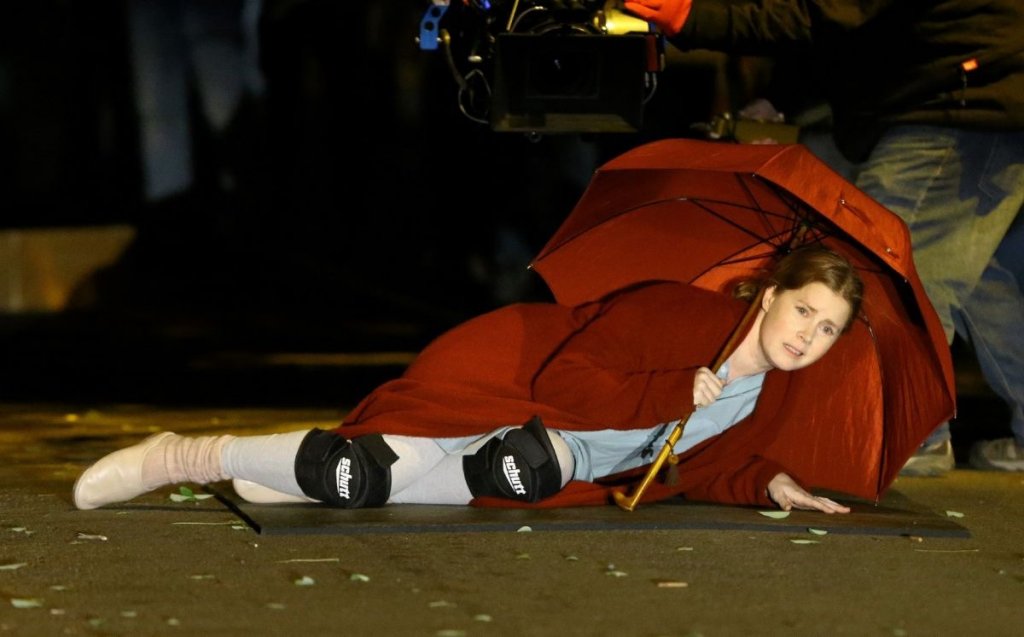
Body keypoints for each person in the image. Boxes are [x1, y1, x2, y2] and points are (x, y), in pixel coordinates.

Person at [74, 247, 861, 514]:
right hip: (508, 383)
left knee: (514, 468)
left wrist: (769, 482)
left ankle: (297, 477)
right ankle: (180, 455)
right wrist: (672, 389)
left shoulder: (764, 393)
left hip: (549, 455)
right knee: (361, 472)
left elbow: (706, 466)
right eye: (803, 310)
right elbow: (567, 377)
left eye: (827, 329)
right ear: (769, 295)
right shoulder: (682, 316)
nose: (807, 336)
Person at [623, 0, 1024, 474]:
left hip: (959, 100)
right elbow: (851, 25)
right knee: (982, 287)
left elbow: (832, 11)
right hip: (972, 91)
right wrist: (784, 96)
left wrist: (693, 16)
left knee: (887, 268)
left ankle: (907, 434)